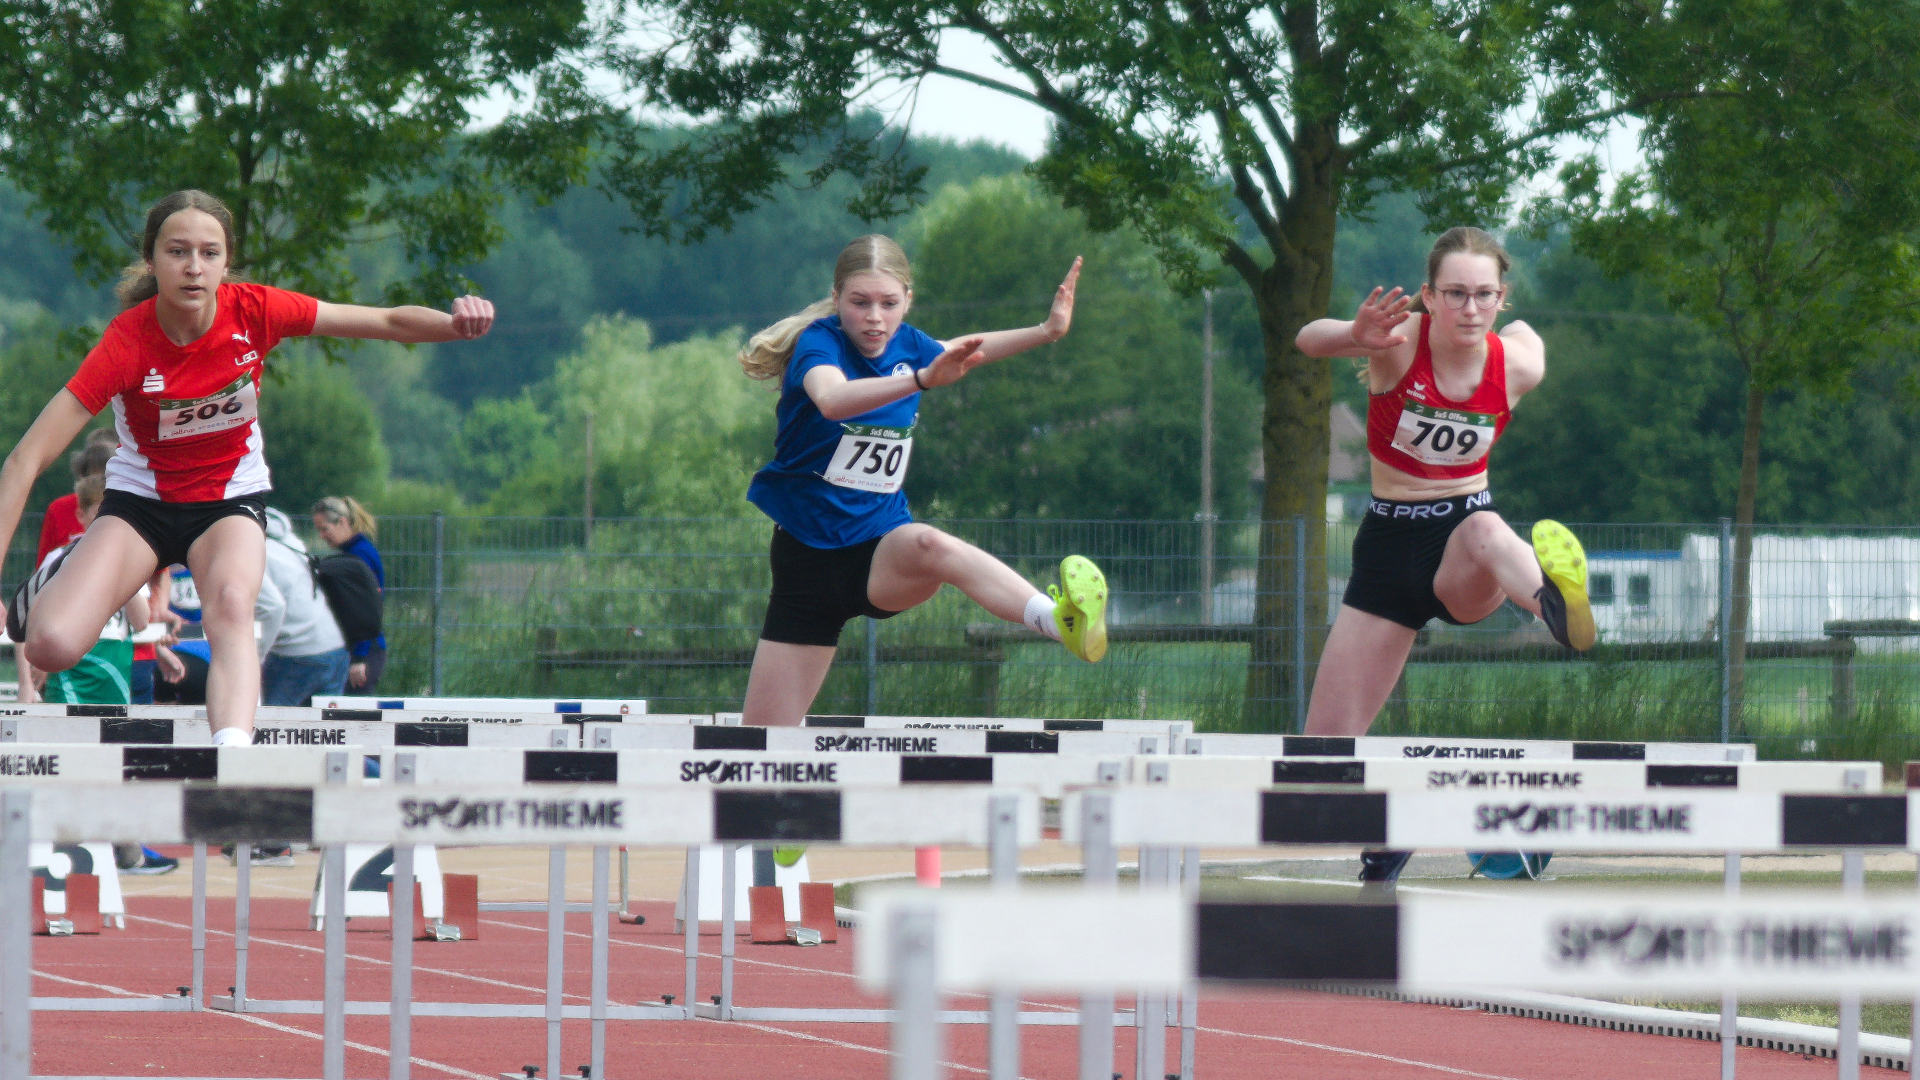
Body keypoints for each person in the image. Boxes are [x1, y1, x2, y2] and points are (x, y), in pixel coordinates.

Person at [0, 188, 494, 747]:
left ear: (226, 262)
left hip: (228, 501)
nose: (193, 267)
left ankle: (232, 758)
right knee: (52, 646)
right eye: (177, 252)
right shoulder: (127, 342)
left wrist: (455, 324)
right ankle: (61, 575)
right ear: (152, 260)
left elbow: (385, 320)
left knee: (233, 606)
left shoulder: (255, 310)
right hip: (142, 504)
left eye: (209, 253)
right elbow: (25, 459)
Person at [1293, 226, 1595, 889]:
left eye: (1484, 295)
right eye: (1454, 294)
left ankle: (1554, 604)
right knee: (1319, 755)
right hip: (1387, 548)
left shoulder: (1517, 363)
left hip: (1462, 545)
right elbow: (1307, 339)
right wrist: (1354, 333)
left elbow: (1529, 343)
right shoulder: (1398, 343)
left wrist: (1520, 330)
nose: (1469, 308)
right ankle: (1387, 828)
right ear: (1428, 297)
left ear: (1502, 297)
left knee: (1486, 528)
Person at [736, 234, 1108, 732]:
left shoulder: (912, 346)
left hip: (880, 551)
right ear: (837, 297)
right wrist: (920, 380)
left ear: (908, 300)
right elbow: (832, 400)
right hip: (807, 565)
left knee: (932, 544)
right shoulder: (820, 344)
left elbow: (967, 349)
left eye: (889, 304)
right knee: (760, 744)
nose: (875, 318)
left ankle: (1057, 620)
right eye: (860, 302)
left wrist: (1047, 330)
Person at [258, 508, 349, 707]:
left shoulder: (254, 552)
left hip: (296, 652)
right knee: (329, 724)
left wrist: (258, 654)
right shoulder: (290, 542)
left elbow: (272, 608)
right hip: (334, 645)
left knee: (269, 721)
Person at [309, 495, 385, 691]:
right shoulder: (356, 553)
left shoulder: (359, 556)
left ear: (342, 522)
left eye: (325, 529)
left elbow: (365, 609)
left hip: (364, 650)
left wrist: (360, 658)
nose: (322, 536)